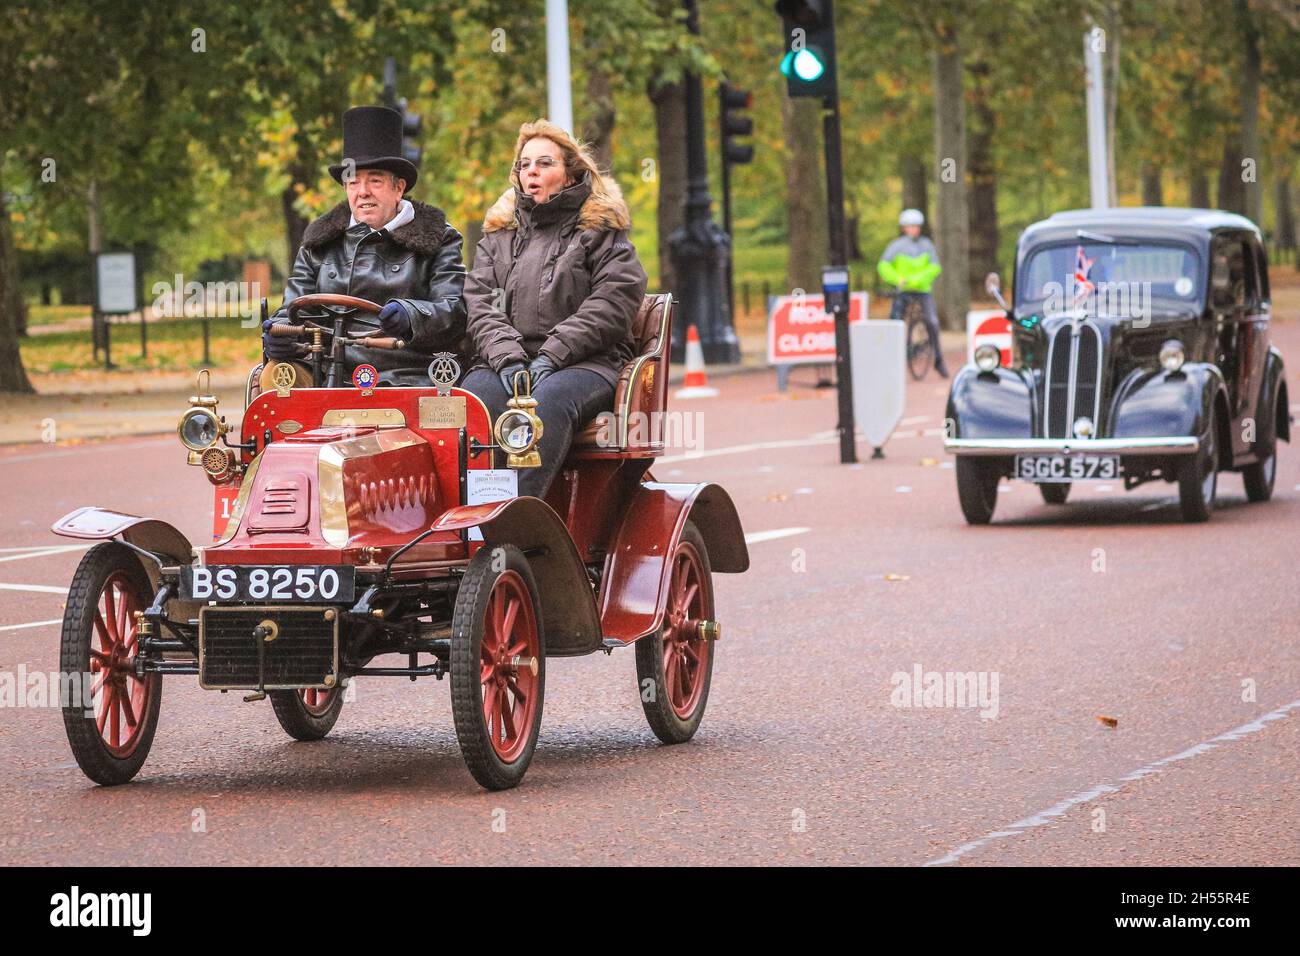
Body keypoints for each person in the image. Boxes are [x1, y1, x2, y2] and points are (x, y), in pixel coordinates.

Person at [462, 119, 647, 499]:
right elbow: (479, 303)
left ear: (569, 175)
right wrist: (508, 358)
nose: (532, 170)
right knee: (470, 403)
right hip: (506, 363)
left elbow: (613, 300)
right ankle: (474, 520)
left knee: (544, 406)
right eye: (524, 164)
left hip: (586, 364)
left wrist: (551, 355)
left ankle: (521, 522)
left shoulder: (601, 231)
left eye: (545, 163)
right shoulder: (498, 236)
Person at [261, 106, 467, 386]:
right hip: (325, 374)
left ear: (398, 188)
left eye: (375, 181)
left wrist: (411, 315)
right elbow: (293, 308)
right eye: (353, 181)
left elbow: (453, 312)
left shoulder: (439, 238)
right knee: (274, 382)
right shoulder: (318, 241)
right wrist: (280, 335)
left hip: (409, 377)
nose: (362, 192)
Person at [878, 208, 948, 377]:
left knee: (932, 322)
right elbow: (883, 266)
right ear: (904, 228)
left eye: (916, 226)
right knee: (895, 321)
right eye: (910, 226)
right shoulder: (896, 246)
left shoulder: (926, 245)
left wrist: (918, 279)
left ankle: (938, 360)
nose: (914, 229)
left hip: (922, 291)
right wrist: (896, 279)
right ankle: (891, 358)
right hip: (903, 291)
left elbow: (935, 266)